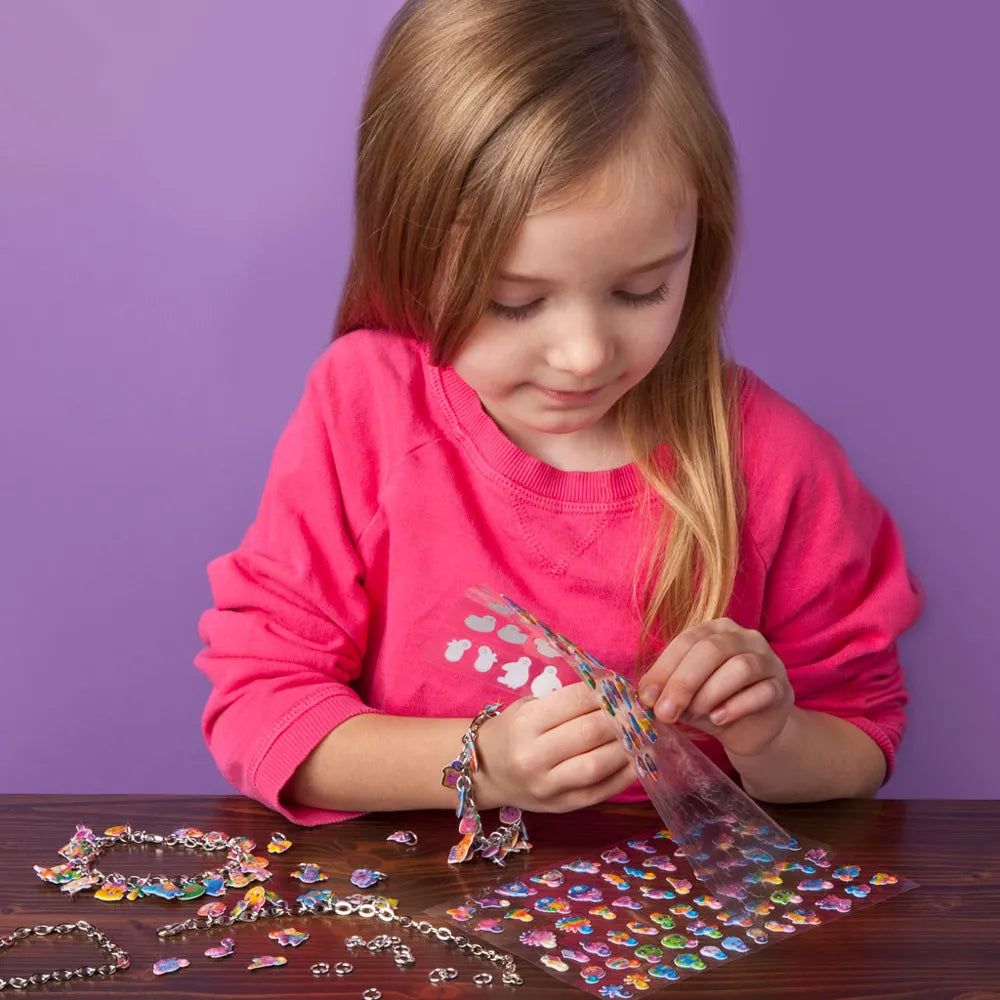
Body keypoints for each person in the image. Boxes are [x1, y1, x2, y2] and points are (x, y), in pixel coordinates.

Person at [195, 0, 924, 827]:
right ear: (407, 252)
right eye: (513, 302)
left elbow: (863, 739)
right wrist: (479, 764)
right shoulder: (363, 410)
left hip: (679, 932)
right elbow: (260, 709)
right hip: (415, 926)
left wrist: (773, 732)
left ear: (701, 242)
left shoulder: (776, 462)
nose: (583, 354)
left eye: (640, 289)